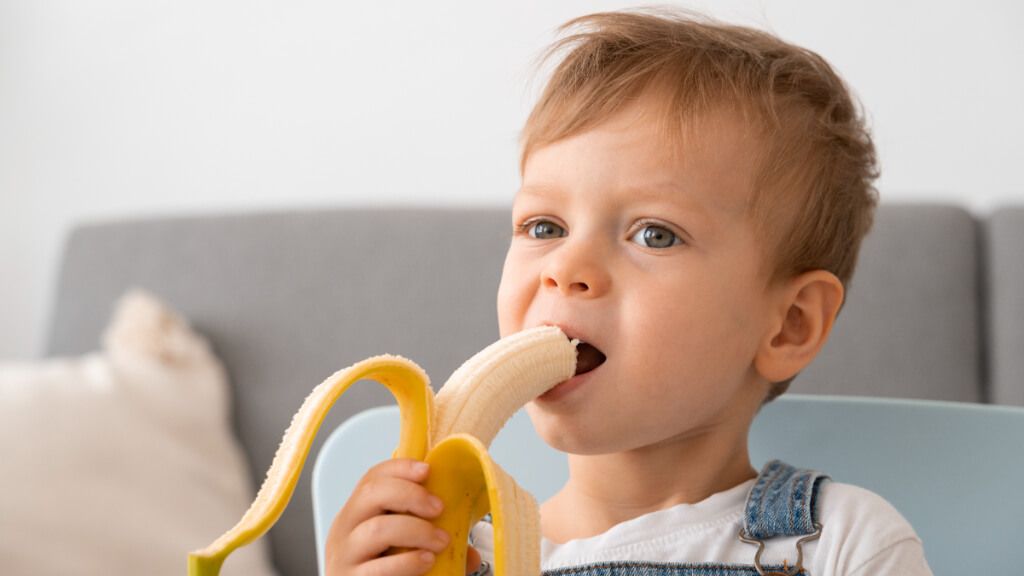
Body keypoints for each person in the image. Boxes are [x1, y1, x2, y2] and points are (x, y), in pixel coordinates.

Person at [325, 7, 933, 576]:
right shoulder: (448, 555)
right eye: (545, 227)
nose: (567, 266)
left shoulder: (839, 544)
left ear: (789, 325)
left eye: (654, 234)